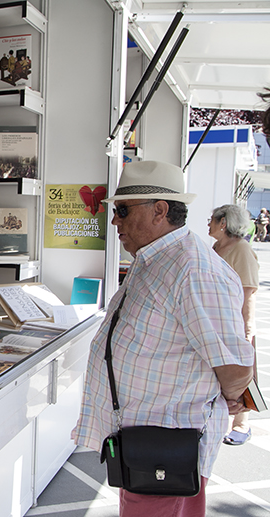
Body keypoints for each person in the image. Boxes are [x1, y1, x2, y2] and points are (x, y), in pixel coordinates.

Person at [73, 160, 254, 517]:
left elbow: (234, 366)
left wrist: (233, 396)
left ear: (160, 210)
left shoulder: (193, 270)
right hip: (144, 445)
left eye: (122, 211)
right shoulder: (159, 258)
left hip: (165, 450)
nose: (114, 222)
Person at [208, 204, 259, 445]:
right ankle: (225, 420)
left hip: (236, 322)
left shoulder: (242, 249)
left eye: (212, 219)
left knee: (241, 374)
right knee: (224, 374)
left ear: (223, 223)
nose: (208, 223)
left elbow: (248, 291)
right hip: (218, 319)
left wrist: (246, 331)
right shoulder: (217, 246)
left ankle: (242, 424)